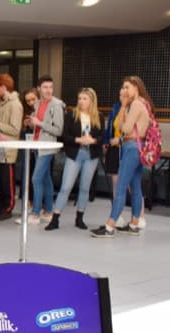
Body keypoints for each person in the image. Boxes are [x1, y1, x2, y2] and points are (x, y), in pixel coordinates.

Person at [91, 76, 153, 238]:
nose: (124, 91)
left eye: (127, 87)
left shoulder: (137, 104)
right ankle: (134, 223)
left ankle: (110, 226)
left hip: (131, 147)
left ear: (136, 88)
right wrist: (124, 107)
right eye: (123, 87)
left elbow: (124, 127)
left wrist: (125, 106)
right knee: (135, 187)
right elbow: (118, 125)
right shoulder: (140, 104)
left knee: (120, 187)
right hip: (137, 148)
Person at [45, 88, 104, 231]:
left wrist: (94, 140)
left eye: (84, 99)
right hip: (75, 154)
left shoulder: (99, 117)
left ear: (91, 101)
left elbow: (103, 137)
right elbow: (64, 136)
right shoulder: (71, 115)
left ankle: (79, 218)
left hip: (91, 155)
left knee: (85, 188)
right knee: (66, 187)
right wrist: (78, 139)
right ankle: (55, 219)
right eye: (80, 98)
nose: (81, 101)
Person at [27, 75, 64, 225]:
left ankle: (36, 213)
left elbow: (58, 130)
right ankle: (48, 211)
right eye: (45, 87)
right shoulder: (37, 104)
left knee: (36, 179)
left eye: (50, 87)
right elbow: (37, 125)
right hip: (37, 145)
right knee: (46, 180)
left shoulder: (56, 105)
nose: (48, 90)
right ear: (39, 89)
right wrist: (31, 123)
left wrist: (40, 123)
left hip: (47, 147)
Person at [0, 74, 23, 221]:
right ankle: (0, 205)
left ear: (3, 87)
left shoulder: (15, 104)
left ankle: (8, 207)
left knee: (7, 181)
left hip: (8, 149)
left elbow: (15, 129)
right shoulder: (1, 103)